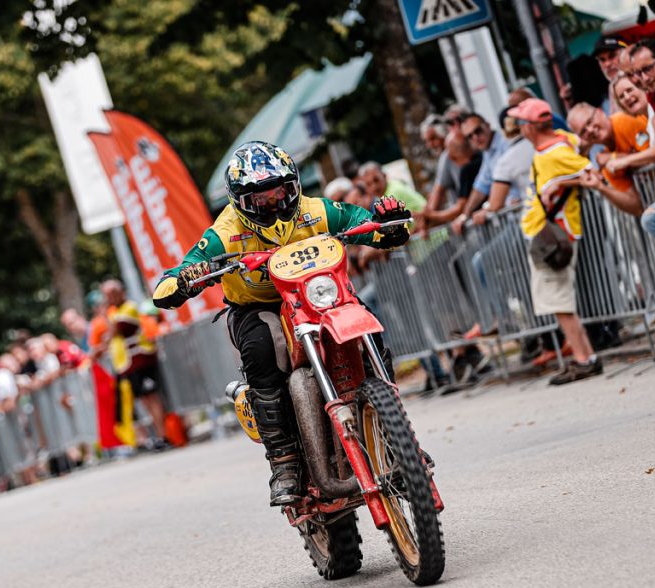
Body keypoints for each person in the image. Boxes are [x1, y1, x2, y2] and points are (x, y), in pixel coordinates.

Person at [153, 141, 411, 506]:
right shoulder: (223, 233)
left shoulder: (317, 210)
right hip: (260, 308)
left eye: (281, 193)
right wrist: (188, 277)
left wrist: (389, 222)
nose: (274, 204)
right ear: (241, 202)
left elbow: (367, 225)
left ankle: (395, 434)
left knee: (367, 323)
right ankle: (284, 460)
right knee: (262, 350)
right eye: (261, 200)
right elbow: (165, 285)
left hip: (318, 295)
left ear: (294, 186)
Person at [510, 98, 603, 385]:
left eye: (521, 123)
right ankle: (585, 355)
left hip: (555, 235)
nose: (519, 128)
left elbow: (590, 173)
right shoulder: (562, 141)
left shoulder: (555, 151)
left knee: (561, 302)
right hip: (549, 233)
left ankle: (584, 359)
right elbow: (579, 149)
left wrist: (559, 183)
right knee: (561, 302)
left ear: (530, 127)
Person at [102, 279, 170, 451]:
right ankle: (157, 436)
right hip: (129, 363)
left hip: (142, 359)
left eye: (110, 295)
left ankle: (164, 436)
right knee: (145, 401)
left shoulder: (129, 307)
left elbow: (115, 331)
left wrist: (107, 317)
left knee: (152, 398)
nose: (108, 299)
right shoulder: (115, 311)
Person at [567, 102, 646, 216]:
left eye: (589, 121)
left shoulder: (624, 120)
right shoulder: (605, 159)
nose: (589, 130)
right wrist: (600, 187)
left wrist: (616, 158)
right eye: (583, 131)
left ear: (600, 112)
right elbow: (636, 207)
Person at [626, 39, 655, 246]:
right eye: (637, 73)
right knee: (652, 220)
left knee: (653, 219)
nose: (643, 78)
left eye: (647, 69)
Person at [453, 112, 515, 232]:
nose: (475, 138)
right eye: (470, 136)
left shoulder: (505, 142)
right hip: (511, 217)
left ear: (487, 125)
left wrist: (488, 209)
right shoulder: (487, 152)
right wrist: (464, 216)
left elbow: (507, 184)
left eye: (478, 131)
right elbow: (480, 187)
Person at [358, 161, 427, 215]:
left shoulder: (393, 193)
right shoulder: (382, 196)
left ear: (384, 176)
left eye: (376, 180)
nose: (374, 186)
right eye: (368, 184)